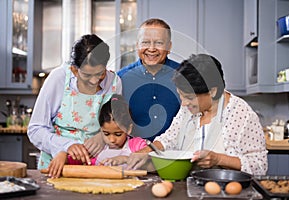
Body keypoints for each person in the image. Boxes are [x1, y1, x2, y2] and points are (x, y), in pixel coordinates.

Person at [127, 54, 268, 175]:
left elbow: (260, 166)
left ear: (212, 92)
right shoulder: (189, 109)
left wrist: (219, 159)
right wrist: (145, 151)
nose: (183, 104)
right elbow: (169, 138)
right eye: (181, 96)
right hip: (187, 187)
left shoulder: (241, 115)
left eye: (188, 97)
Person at [27, 34, 122, 178]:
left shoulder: (114, 82)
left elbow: (117, 125)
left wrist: (102, 136)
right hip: (58, 167)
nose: (94, 81)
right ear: (74, 70)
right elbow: (35, 129)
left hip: (96, 166)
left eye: (100, 74)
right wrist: (66, 146)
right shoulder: (58, 78)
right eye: (87, 75)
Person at [117, 18, 180, 141]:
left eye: (159, 43)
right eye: (145, 42)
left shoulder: (184, 75)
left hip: (175, 152)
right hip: (134, 153)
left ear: (169, 46)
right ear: (137, 45)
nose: (151, 48)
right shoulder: (121, 79)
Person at [67, 94, 148, 167]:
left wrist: (125, 159)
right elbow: (73, 160)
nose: (112, 140)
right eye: (106, 134)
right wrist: (64, 155)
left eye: (118, 134)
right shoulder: (97, 149)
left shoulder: (136, 145)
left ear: (129, 129)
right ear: (100, 129)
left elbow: (150, 161)